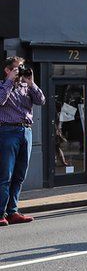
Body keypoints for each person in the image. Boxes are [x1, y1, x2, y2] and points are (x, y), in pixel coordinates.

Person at [0, 57, 45, 226]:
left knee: (19, 175)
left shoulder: (26, 87)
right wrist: (10, 82)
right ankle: (0, 213)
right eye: (17, 69)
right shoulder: (2, 86)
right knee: (5, 174)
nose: (21, 71)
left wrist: (31, 82)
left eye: (22, 68)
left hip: (26, 131)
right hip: (7, 131)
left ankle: (13, 211)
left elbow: (41, 100)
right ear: (7, 70)